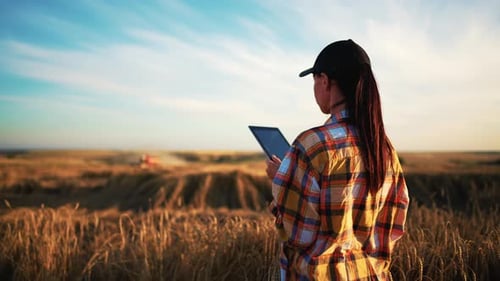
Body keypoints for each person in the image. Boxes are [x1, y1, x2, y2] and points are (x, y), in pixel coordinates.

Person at [265, 39, 409, 281]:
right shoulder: (384, 147)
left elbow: (298, 235)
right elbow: (394, 225)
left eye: (314, 81)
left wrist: (281, 182)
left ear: (324, 80)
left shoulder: (312, 145)